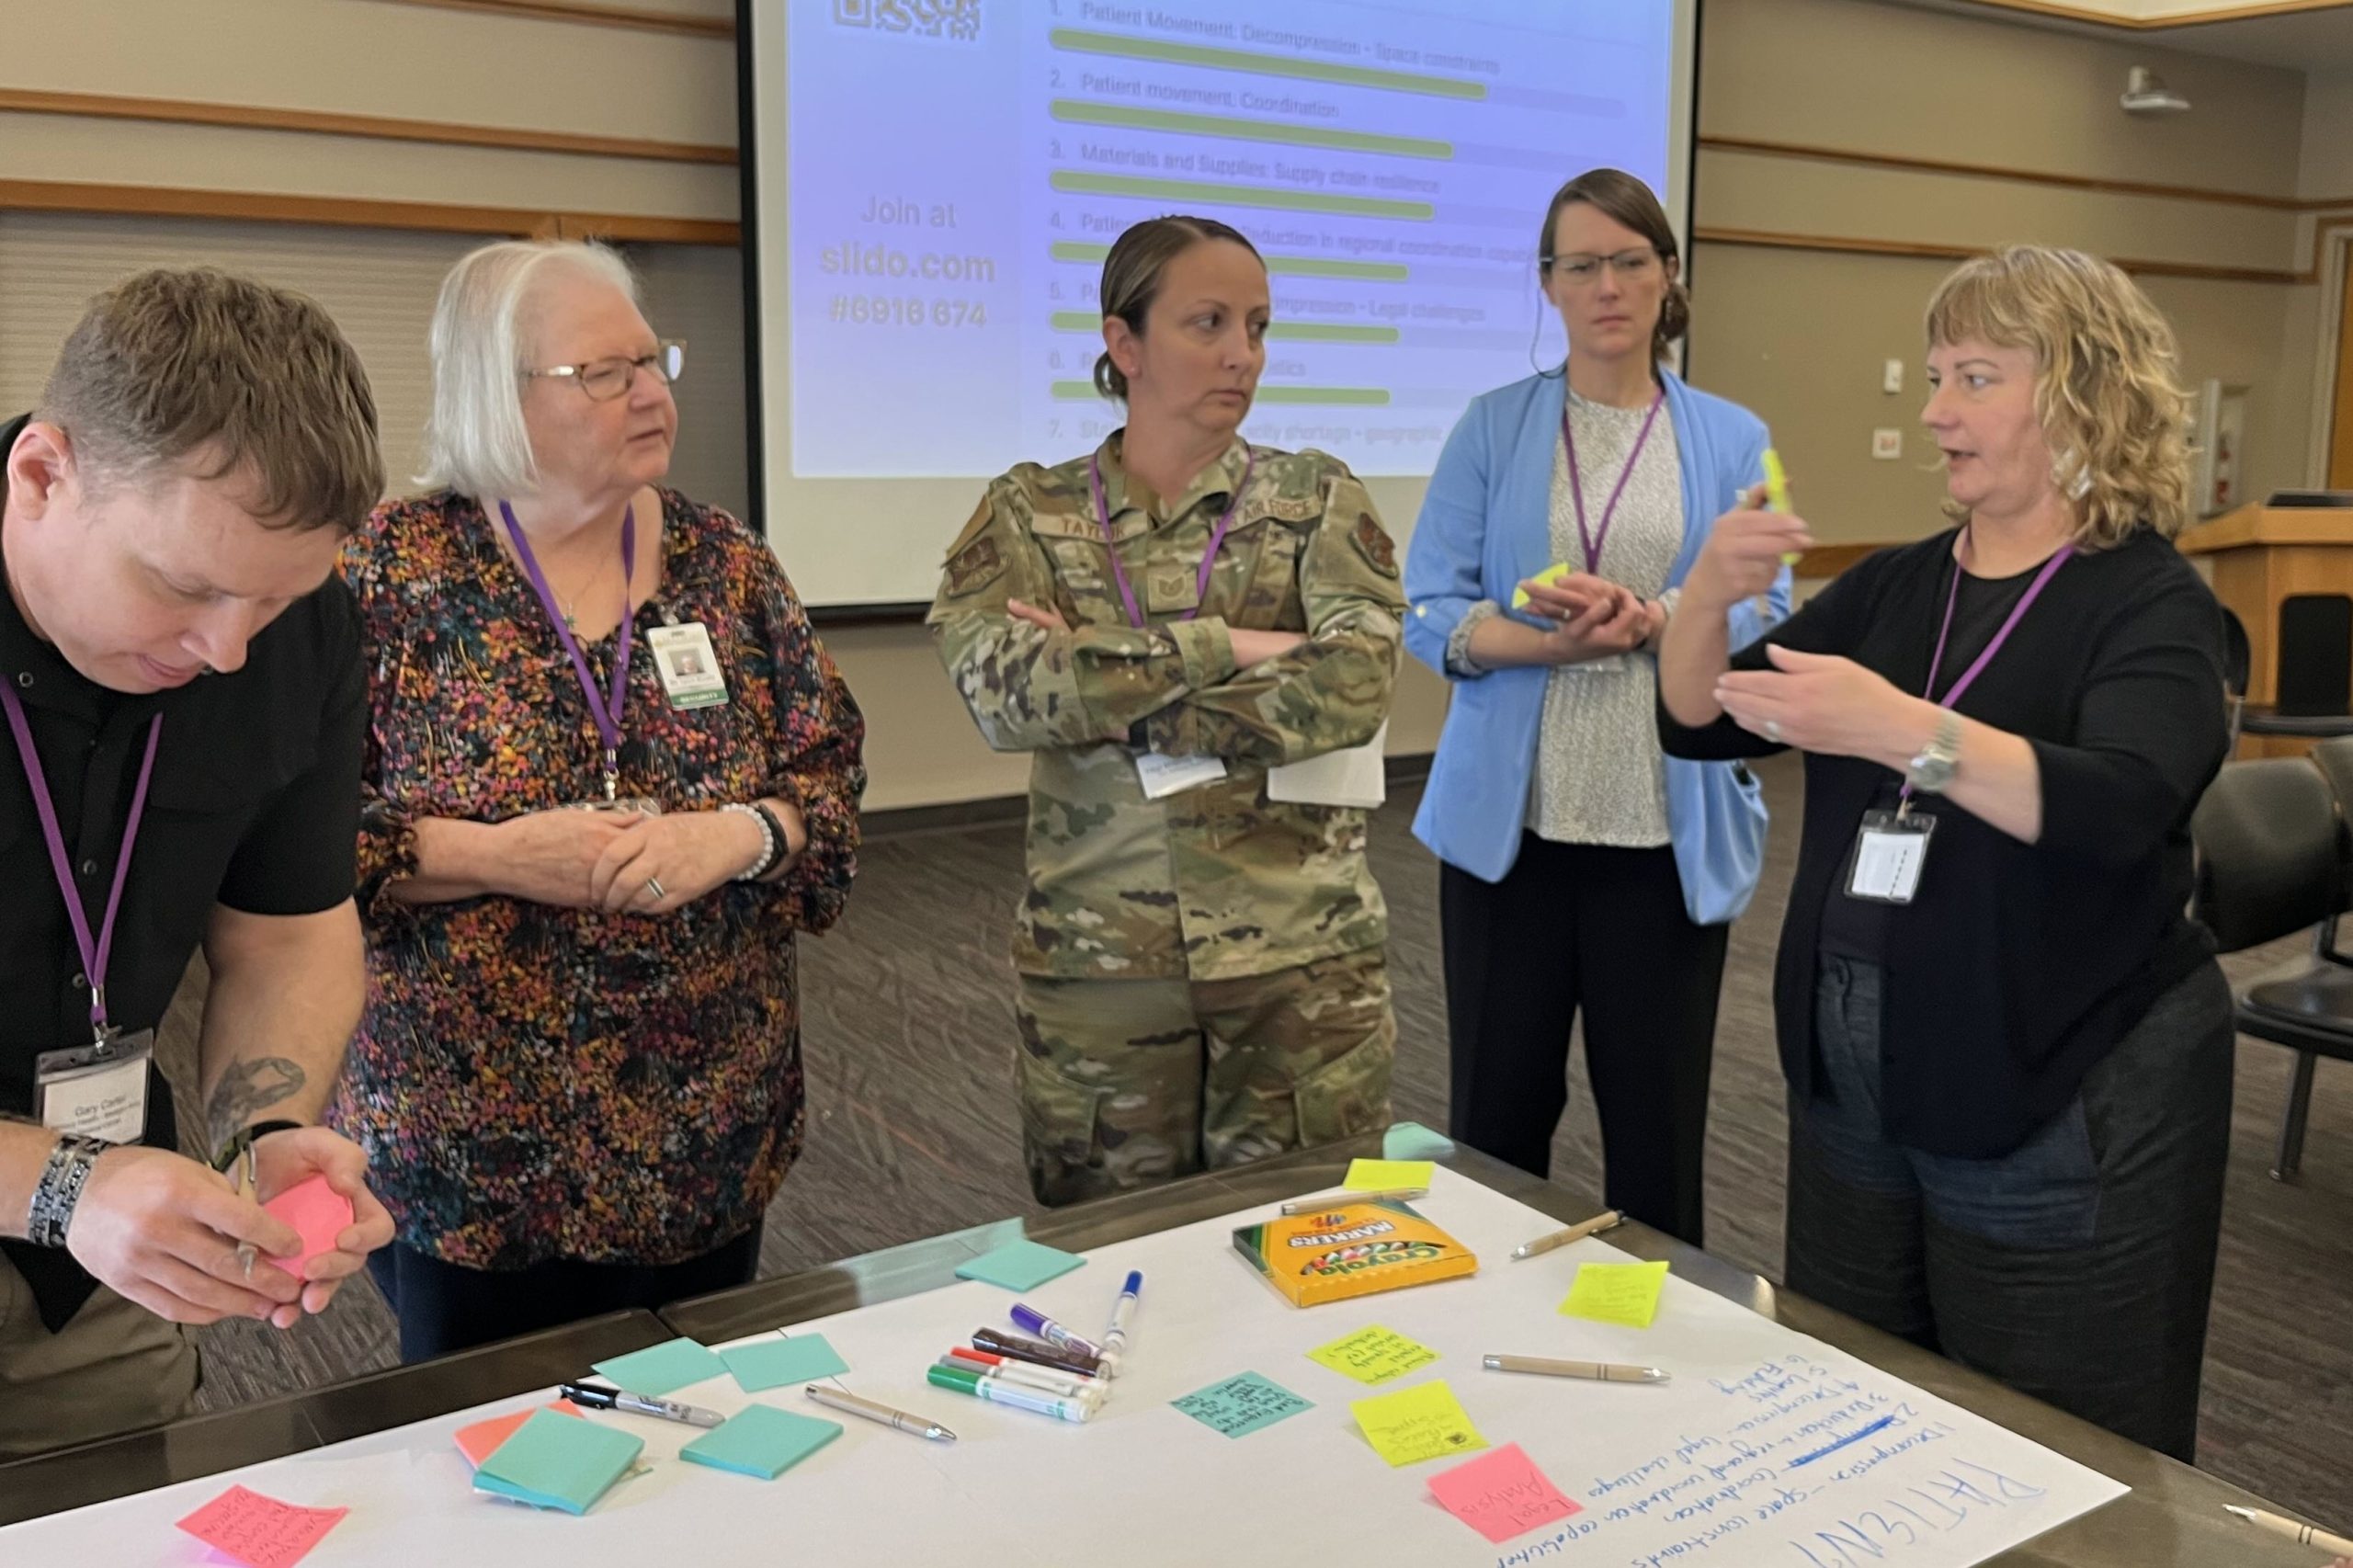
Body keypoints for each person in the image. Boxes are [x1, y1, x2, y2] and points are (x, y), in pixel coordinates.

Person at [1656, 245, 2231, 1460]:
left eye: (1975, 376)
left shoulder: (2150, 601)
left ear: (2082, 394)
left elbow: (2120, 807)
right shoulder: (1901, 586)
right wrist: (1704, 593)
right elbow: (1698, 717)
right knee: (1861, 1407)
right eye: (1933, 376)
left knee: (2054, 1449)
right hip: (1859, 1066)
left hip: (2051, 1070)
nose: (1933, 410)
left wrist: (1900, 728)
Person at [336, 240, 866, 1361]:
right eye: (604, 372)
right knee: (487, 1465)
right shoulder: (386, 575)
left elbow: (829, 781)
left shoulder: (730, 568)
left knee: (696, 1437)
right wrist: (493, 856)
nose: (652, 391)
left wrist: (741, 833)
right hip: (473, 1149)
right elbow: (289, 840)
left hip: (703, 1128)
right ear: (498, 392)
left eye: (652, 360)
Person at [0, 268, 397, 1457]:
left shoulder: (297, 628)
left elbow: (286, 928)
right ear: (41, 475)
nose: (228, 649)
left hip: (94, 1268)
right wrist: (61, 1183)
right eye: (182, 586)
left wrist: (259, 1128)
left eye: (272, 602)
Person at [928, 215, 1403, 1205]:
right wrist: (1226, 645)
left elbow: (1356, 681)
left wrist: (1106, 693)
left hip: (1300, 955)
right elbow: (1001, 692)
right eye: (1208, 323)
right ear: (1124, 343)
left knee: (1307, 1255)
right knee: (1112, 1264)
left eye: (1259, 326)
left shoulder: (1315, 497)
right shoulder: (1028, 511)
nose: (1243, 355)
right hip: (1102, 962)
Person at [1402, 168, 1787, 1245]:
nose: (1607, 285)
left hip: (1663, 837)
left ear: (1669, 277)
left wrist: (1663, 616)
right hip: (1508, 837)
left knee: (1656, 1133)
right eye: (1582, 264)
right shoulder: (1491, 426)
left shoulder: (1740, 436)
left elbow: (1776, 607)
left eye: (1630, 260)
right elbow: (1427, 607)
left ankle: (1658, 1343)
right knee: (1493, 1123)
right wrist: (1548, 642)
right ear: (1548, 284)